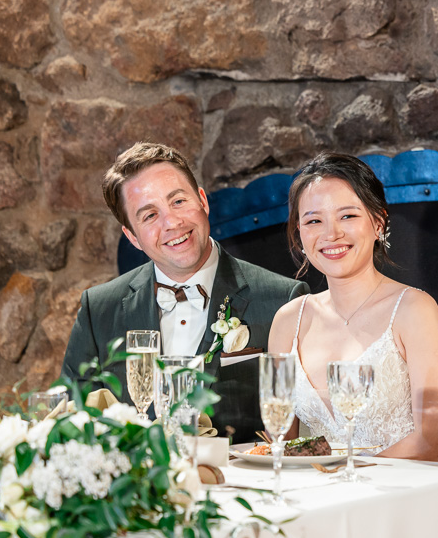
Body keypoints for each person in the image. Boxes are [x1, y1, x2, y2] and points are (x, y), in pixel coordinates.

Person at [61, 142, 309, 442]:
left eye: (178, 201)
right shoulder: (98, 310)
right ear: (132, 237)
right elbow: (71, 425)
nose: (173, 223)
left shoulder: (282, 300)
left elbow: (293, 436)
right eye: (149, 216)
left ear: (203, 201)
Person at [268, 152, 438, 460]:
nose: (331, 234)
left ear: (378, 222)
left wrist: (349, 485)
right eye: (314, 220)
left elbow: (435, 439)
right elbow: (280, 444)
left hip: (402, 494)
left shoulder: (414, 310)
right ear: (299, 233)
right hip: (317, 497)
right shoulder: (288, 322)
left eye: (348, 216)